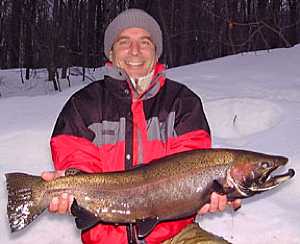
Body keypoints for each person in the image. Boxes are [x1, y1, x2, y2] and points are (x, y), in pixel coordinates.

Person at [42, 8, 241, 244]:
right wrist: (68, 187)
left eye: (145, 42)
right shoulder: (83, 105)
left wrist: (208, 192)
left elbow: (191, 163)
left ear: (156, 53)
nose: (135, 50)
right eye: (124, 42)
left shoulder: (182, 102)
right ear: (111, 52)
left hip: (174, 236)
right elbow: (76, 161)